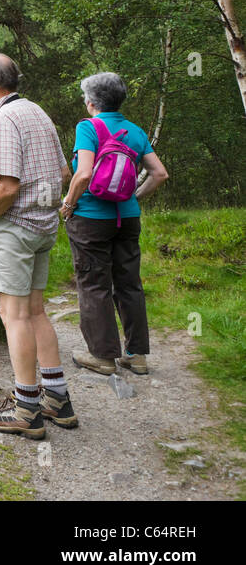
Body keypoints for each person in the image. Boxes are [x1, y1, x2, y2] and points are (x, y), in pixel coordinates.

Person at [0, 54, 75, 439]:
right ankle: (57, 400)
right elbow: (64, 172)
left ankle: (25, 408)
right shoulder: (37, 113)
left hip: (13, 227)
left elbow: (8, 186)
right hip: (43, 226)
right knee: (35, 312)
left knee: (12, 315)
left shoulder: (3, 119)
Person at [60, 72, 168, 376]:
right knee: (129, 284)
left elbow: (83, 174)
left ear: (92, 102)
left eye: (85, 97)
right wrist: (133, 196)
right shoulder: (135, 131)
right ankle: (137, 355)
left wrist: (68, 205)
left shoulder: (88, 127)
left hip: (91, 220)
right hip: (128, 217)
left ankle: (104, 357)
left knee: (94, 285)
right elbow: (159, 174)